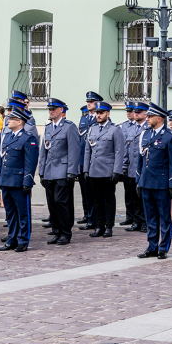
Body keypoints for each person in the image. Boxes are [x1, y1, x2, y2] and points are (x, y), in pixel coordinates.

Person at [136, 103, 172, 259]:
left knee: (164, 217)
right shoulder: (146, 134)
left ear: (159, 118)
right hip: (146, 182)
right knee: (150, 216)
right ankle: (152, 246)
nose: (147, 119)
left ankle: (163, 247)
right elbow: (140, 159)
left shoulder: (170, 137)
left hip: (162, 184)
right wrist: (138, 179)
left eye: (150, 116)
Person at [0, 106, 39, 253]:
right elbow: (1, 159)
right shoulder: (7, 137)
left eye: (11, 119)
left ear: (19, 122)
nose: (7, 120)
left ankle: (23, 240)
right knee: (10, 214)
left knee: (22, 213)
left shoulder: (28, 138)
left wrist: (27, 181)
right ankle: (11, 239)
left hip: (19, 182)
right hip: (6, 180)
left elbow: (30, 163)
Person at [40, 98, 81, 245]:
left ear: (61, 110)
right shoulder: (48, 127)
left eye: (53, 109)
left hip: (63, 171)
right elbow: (44, 150)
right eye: (49, 109)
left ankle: (65, 232)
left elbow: (74, 151)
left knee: (61, 202)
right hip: (50, 171)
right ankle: (56, 231)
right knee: (52, 202)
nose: (51, 111)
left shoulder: (69, 127)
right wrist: (42, 170)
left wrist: (72, 172)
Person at [83, 101, 125, 237]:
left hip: (108, 170)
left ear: (108, 113)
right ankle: (99, 226)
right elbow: (87, 151)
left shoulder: (115, 130)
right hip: (94, 170)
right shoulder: (92, 129)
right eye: (97, 113)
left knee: (109, 200)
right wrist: (86, 169)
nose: (98, 115)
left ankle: (109, 226)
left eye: (101, 113)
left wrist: (116, 171)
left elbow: (119, 151)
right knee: (97, 200)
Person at [119, 103, 145, 232]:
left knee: (142, 197)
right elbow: (126, 148)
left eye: (138, 112)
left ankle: (144, 222)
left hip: (141, 169)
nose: (135, 114)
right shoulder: (130, 128)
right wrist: (124, 165)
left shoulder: (147, 128)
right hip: (130, 168)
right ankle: (136, 221)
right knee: (133, 197)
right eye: (135, 112)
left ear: (145, 113)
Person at [77, 92, 102, 229]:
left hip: (94, 162)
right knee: (84, 191)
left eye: (92, 101)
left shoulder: (98, 120)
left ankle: (94, 218)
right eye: (88, 101)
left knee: (93, 193)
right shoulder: (84, 119)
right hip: (82, 160)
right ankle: (87, 215)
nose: (89, 103)